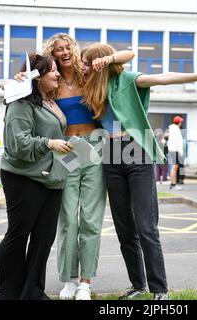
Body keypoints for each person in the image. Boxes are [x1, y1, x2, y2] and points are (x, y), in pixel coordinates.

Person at [80, 43, 197, 300]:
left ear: (98, 62)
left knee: (146, 226)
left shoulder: (126, 80)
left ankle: (160, 290)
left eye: (85, 61)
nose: (81, 66)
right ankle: (138, 286)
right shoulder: (91, 86)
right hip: (110, 153)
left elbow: (163, 77)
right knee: (124, 227)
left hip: (135, 149)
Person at [41, 33, 134, 300]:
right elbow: (25, 86)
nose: (64, 51)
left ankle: (85, 282)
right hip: (67, 150)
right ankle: (69, 280)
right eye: (58, 49)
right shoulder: (51, 81)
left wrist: (106, 58)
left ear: (74, 48)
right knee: (69, 218)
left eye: (67, 46)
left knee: (91, 219)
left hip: (94, 146)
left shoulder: (88, 75)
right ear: (53, 54)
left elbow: (128, 56)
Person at [0, 53, 71, 300]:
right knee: (17, 236)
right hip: (23, 178)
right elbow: (17, 144)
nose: (57, 74)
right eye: (52, 70)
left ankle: (32, 293)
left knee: (43, 240)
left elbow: (56, 137)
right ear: (36, 76)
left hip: (52, 179)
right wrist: (49, 143)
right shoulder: (20, 102)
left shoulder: (52, 101)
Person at [168, 116, 185, 191]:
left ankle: (173, 184)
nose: (181, 123)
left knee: (174, 168)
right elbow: (178, 142)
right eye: (181, 122)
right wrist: (180, 152)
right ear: (179, 122)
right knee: (174, 168)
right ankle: (173, 184)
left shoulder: (173, 129)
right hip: (175, 150)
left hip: (173, 150)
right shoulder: (176, 130)